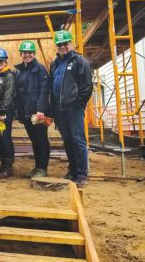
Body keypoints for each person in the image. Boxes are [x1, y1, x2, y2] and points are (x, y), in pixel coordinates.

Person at [50, 30, 93, 188]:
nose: (63, 47)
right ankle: (73, 170)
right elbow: (52, 86)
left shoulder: (80, 62)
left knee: (78, 140)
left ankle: (82, 174)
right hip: (60, 110)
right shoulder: (54, 64)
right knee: (67, 141)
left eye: (65, 44)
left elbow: (87, 86)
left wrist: (79, 104)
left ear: (71, 43)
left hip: (74, 109)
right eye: (60, 44)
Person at [15, 40, 51, 178]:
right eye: (25, 52)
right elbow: (20, 93)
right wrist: (21, 113)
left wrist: (41, 109)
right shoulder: (20, 71)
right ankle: (38, 167)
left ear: (34, 54)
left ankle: (43, 168)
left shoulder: (40, 69)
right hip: (27, 113)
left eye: (30, 52)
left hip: (38, 113)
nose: (27, 55)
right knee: (35, 140)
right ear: (21, 54)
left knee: (41, 139)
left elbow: (44, 90)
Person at [0, 48, 16, 178]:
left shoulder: (9, 76)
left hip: (4, 112)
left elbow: (8, 95)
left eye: (1, 60)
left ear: (5, 61)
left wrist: (3, 111)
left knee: (4, 138)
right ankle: (3, 164)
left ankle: (8, 167)